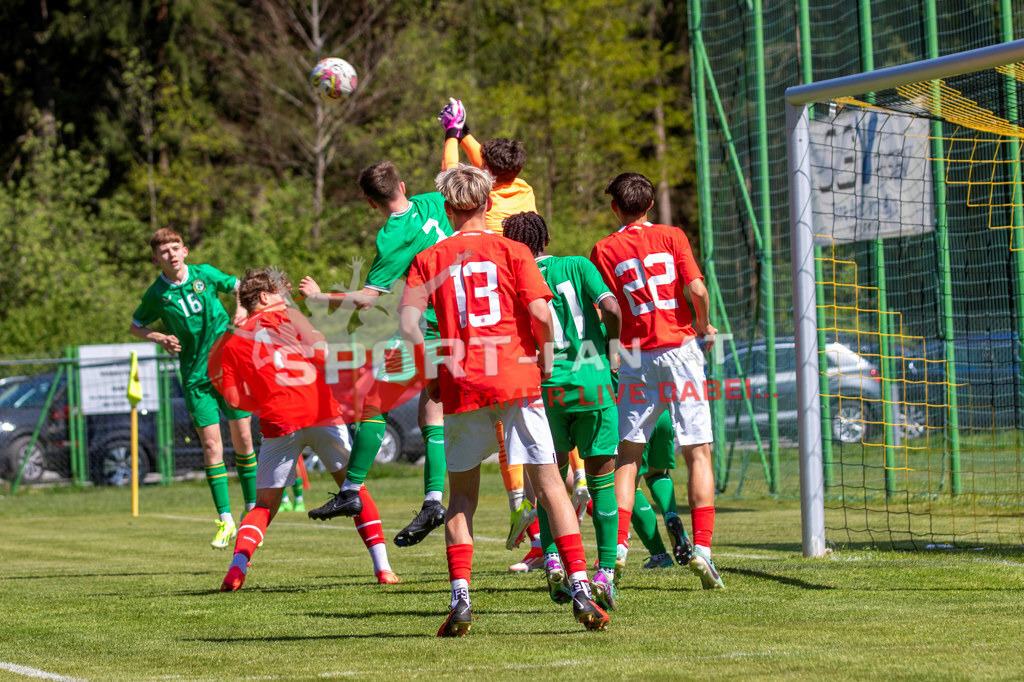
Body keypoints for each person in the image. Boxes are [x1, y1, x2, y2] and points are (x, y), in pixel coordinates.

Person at [400, 164, 608, 636]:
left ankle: (461, 597)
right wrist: (548, 361)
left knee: (462, 497)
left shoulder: (429, 258)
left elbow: (410, 324)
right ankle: (578, 585)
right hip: (516, 378)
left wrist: (432, 370)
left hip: (462, 383)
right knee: (551, 482)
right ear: (489, 204)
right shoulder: (514, 251)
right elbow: (540, 311)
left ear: (449, 208)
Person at [211, 269, 399, 590]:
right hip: (320, 411)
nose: (284, 295)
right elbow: (323, 355)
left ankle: (237, 567)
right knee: (354, 489)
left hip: (279, 420)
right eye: (277, 290)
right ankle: (383, 569)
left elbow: (232, 392)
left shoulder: (235, 338)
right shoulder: (292, 317)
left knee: (264, 506)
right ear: (265, 298)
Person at [299, 161, 450, 547]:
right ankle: (433, 500)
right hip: (458, 327)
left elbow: (366, 301)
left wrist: (318, 297)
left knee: (371, 403)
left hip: (423, 327)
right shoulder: (434, 202)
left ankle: (351, 489)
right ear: (402, 183)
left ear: (370, 203)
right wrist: (455, 132)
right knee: (432, 410)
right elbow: (453, 172)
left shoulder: (391, 236)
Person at [589, 172, 724, 590]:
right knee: (697, 452)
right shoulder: (671, 235)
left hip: (634, 355)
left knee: (629, 455)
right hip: (680, 350)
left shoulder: (604, 248)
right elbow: (697, 289)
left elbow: (606, 308)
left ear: (616, 207)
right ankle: (702, 549)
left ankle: (622, 547)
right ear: (649, 204)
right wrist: (702, 325)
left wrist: (613, 347)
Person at [437, 99, 554, 551]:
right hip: (524, 289)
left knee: (499, 433)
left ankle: (518, 501)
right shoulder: (522, 190)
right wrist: (467, 131)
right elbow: (484, 163)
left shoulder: (472, 205)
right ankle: (575, 478)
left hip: (491, 299)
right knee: (539, 414)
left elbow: (454, 171)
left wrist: (453, 134)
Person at [503, 211, 622, 610]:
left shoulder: (511, 277)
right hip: (592, 384)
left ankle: (553, 559)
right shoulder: (578, 265)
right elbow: (612, 306)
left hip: (543, 390)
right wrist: (614, 347)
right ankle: (605, 572)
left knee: (550, 484)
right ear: (548, 237)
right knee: (602, 482)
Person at [130, 228, 257, 549]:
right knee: (212, 447)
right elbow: (136, 325)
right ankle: (225, 520)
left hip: (228, 367)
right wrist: (159, 337)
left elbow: (241, 287)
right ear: (155, 258)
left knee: (243, 439)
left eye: (175, 248)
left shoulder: (205, 275)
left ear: (185, 251)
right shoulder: (157, 295)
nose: (171, 254)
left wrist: (241, 308)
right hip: (195, 375)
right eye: (164, 251)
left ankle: (252, 511)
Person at [438, 98, 537, 236]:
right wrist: (461, 131)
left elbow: (450, 172)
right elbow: (489, 164)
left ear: (488, 170)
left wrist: (451, 131)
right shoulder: (525, 189)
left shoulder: (482, 195)